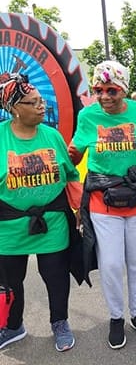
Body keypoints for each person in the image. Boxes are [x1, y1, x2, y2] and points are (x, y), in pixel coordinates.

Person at [68, 60, 136, 349]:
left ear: (124, 90)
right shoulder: (88, 116)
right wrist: (70, 154)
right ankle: (116, 316)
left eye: (112, 90)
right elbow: (76, 155)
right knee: (111, 263)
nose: (104, 96)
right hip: (102, 200)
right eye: (99, 90)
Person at [0, 73, 82, 352]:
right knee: (11, 281)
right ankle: (13, 326)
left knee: (56, 275)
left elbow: (70, 175)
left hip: (53, 222)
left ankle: (60, 323)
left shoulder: (52, 135)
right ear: (13, 108)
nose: (41, 105)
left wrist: (80, 208)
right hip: (9, 227)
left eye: (41, 100)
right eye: (32, 102)